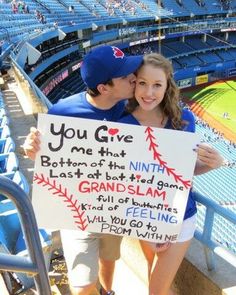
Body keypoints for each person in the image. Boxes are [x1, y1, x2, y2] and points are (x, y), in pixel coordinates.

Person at [23, 45, 142, 295]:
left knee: (109, 259)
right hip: (76, 214)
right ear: (104, 88)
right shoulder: (63, 113)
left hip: (111, 208)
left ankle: (107, 291)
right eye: (125, 76)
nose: (134, 77)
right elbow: (49, 163)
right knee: (83, 287)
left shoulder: (129, 107)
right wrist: (33, 151)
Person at [118, 53, 224, 295]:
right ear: (134, 83)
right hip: (141, 214)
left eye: (157, 85)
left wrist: (213, 164)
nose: (148, 92)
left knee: (156, 289)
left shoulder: (183, 120)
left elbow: (184, 172)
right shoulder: (120, 122)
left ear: (167, 87)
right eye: (142, 83)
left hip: (178, 216)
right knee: (150, 272)